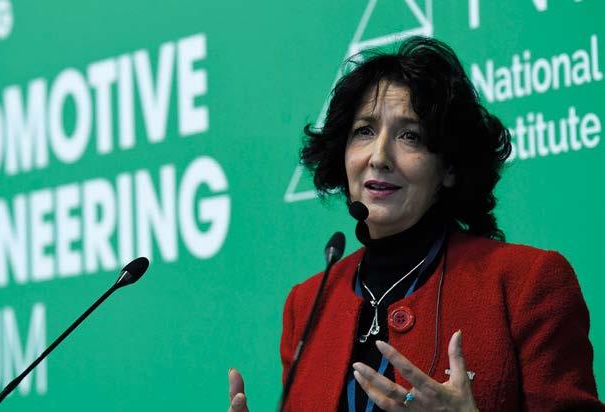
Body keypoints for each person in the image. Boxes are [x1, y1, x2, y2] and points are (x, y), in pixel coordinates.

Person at [227, 36, 604, 411]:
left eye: (409, 135)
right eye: (364, 131)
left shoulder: (526, 282)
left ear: (449, 167)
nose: (379, 157)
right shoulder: (307, 304)